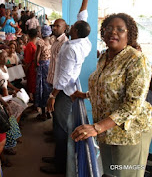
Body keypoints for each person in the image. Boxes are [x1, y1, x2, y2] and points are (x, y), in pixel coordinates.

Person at [71, 13, 152, 177]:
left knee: (124, 174)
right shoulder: (105, 57)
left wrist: (96, 127)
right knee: (109, 173)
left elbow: (133, 105)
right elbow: (106, 88)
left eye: (120, 29)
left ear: (129, 34)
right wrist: (84, 95)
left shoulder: (136, 60)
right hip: (106, 132)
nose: (113, 32)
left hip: (129, 135)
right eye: (108, 28)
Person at [42, 11, 91, 175]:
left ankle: (60, 166)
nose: (70, 27)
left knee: (61, 129)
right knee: (57, 124)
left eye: (73, 27)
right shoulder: (84, 41)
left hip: (63, 92)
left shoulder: (71, 49)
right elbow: (82, 19)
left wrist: (52, 96)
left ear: (75, 31)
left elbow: (64, 77)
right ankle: (57, 158)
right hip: (65, 89)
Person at [34, 25, 52, 121]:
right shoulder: (51, 42)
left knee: (41, 88)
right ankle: (49, 112)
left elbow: (37, 57)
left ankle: (43, 113)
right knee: (48, 88)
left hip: (41, 67)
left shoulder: (40, 43)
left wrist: (35, 66)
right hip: (49, 67)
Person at [24, 29, 38, 100]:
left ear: (28, 35)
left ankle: (34, 104)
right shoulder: (36, 44)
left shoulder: (29, 45)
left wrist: (25, 71)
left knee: (32, 85)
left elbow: (28, 61)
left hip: (32, 67)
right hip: (36, 66)